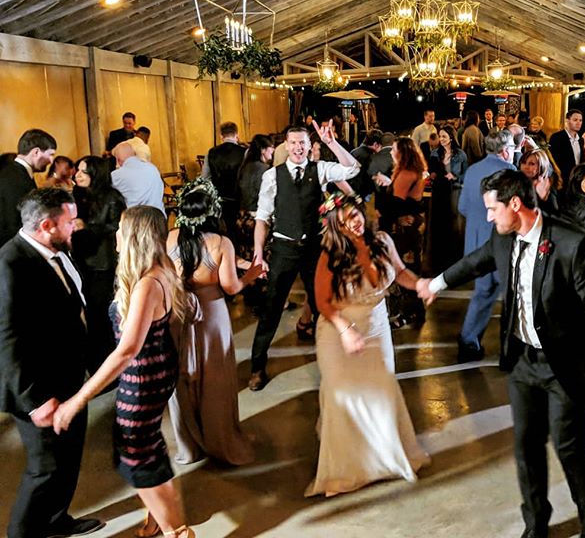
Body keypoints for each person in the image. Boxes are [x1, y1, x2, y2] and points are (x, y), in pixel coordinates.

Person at [422, 169, 585, 538]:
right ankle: (536, 524)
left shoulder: (573, 244)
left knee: (570, 450)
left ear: (515, 204)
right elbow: (477, 260)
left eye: (492, 209)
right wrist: (435, 284)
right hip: (522, 362)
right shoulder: (503, 238)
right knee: (526, 448)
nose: (488, 217)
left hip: (566, 366)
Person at [53, 206, 195, 538]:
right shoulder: (161, 267)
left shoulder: (147, 284)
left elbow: (126, 350)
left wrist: (77, 400)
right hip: (159, 366)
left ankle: (177, 531)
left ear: (133, 237)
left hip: (142, 375)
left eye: (120, 229)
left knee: (133, 454)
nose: (115, 234)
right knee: (148, 445)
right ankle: (157, 519)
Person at [305, 192, 431, 497]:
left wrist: (420, 284)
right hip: (338, 330)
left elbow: (400, 272)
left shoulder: (383, 241)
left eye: (355, 214)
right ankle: (346, 470)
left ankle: (383, 459)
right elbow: (322, 302)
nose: (354, 222)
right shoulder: (330, 255)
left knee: (382, 390)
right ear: (336, 226)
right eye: (345, 221)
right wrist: (346, 331)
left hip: (376, 328)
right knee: (342, 394)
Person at [0, 188, 103, 538]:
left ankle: (56, 519)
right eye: (70, 221)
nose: (76, 225)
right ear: (46, 225)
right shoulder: (10, 263)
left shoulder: (58, 251)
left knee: (69, 457)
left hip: (70, 378)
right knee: (44, 468)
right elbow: (7, 342)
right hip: (38, 389)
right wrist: (35, 401)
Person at [248, 122, 359, 391]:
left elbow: (353, 169)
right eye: (293, 143)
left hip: (313, 250)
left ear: (310, 146)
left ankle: (332, 364)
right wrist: (258, 253)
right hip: (283, 249)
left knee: (323, 308)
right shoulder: (272, 176)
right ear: (286, 146)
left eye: (302, 143)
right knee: (271, 310)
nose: (298, 147)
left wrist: (332, 143)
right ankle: (257, 367)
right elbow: (262, 218)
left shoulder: (319, 169)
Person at [166, 178, 260, 470]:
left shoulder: (169, 238)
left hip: (178, 313)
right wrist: (251, 274)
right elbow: (231, 287)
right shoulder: (220, 243)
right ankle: (220, 439)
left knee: (183, 376)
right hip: (211, 314)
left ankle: (190, 445)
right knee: (216, 377)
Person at [456, 130, 515, 362]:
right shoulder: (509, 171)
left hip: (475, 243)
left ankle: (469, 341)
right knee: (513, 296)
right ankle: (510, 350)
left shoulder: (472, 170)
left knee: (483, 293)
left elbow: (462, 207)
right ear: (505, 150)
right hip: (501, 244)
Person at [72, 156, 127, 372]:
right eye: (77, 170)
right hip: (82, 260)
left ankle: (106, 363)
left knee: (101, 314)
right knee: (88, 312)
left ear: (95, 174)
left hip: (102, 262)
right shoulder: (79, 195)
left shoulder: (111, 197)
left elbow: (118, 227)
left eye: (83, 171)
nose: (77, 175)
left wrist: (87, 226)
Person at [374, 137, 427, 327]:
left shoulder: (406, 173)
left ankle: (408, 312)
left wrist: (382, 194)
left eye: (394, 149)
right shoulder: (413, 171)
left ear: (402, 153)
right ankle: (414, 311)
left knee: (403, 268)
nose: (390, 152)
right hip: (411, 228)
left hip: (404, 231)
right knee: (410, 267)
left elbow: (395, 204)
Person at [0, 129, 57, 246]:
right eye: (50, 154)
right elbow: (14, 222)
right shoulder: (14, 178)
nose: (51, 161)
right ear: (36, 152)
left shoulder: (13, 172)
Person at [428, 125, 468, 274]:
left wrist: (455, 177)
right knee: (439, 224)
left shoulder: (461, 154)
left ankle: (455, 259)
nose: (441, 139)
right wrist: (433, 174)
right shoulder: (434, 153)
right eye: (440, 136)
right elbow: (431, 171)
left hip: (454, 191)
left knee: (454, 225)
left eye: (444, 136)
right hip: (439, 192)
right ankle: (439, 261)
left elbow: (466, 174)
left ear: (451, 137)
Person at [203, 121, 246, 235]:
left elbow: (205, 177)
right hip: (239, 200)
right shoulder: (244, 152)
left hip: (219, 199)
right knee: (238, 233)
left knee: (222, 231)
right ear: (236, 135)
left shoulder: (211, 153)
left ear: (221, 136)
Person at [111, 142, 165, 214]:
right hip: (159, 216)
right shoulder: (152, 168)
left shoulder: (116, 175)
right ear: (134, 154)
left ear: (118, 160)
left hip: (136, 218)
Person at [548, 109, 584, 192]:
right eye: (575, 120)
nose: (578, 123)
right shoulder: (557, 137)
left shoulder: (580, 139)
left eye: (580, 120)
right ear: (567, 121)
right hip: (562, 180)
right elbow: (553, 160)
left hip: (577, 180)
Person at [519, 149, 560, 215]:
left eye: (532, 164)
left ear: (541, 166)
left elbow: (554, 214)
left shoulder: (547, 187)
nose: (526, 167)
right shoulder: (517, 183)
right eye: (523, 162)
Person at [349, 129, 383, 199]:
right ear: (375, 144)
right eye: (381, 146)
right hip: (360, 194)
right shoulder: (372, 157)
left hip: (348, 190)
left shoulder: (354, 152)